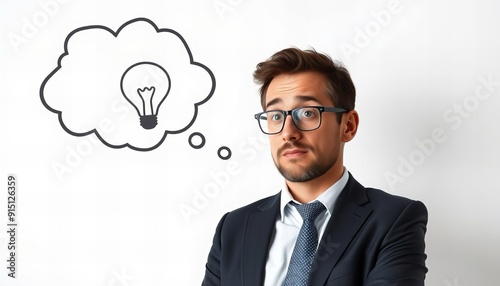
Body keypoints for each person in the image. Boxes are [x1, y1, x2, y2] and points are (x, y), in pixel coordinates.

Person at [201, 47, 428, 286]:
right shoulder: (235, 227)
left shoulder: (393, 220)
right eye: (276, 116)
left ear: (348, 126)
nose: (288, 132)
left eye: (308, 112)